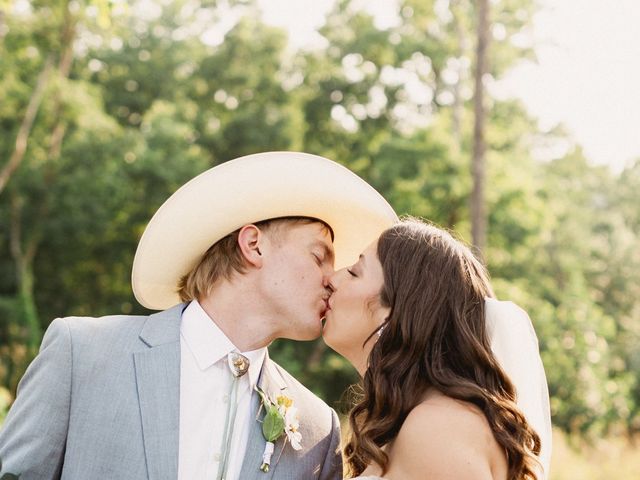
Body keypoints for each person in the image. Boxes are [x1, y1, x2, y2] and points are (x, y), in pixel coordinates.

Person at [0, 152, 397, 479]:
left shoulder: (317, 430)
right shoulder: (81, 353)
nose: (333, 280)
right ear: (254, 245)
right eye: (318, 256)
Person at [323, 218, 552, 480]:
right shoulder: (424, 422)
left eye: (354, 272)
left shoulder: (440, 428)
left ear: (397, 313)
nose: (332, 278)